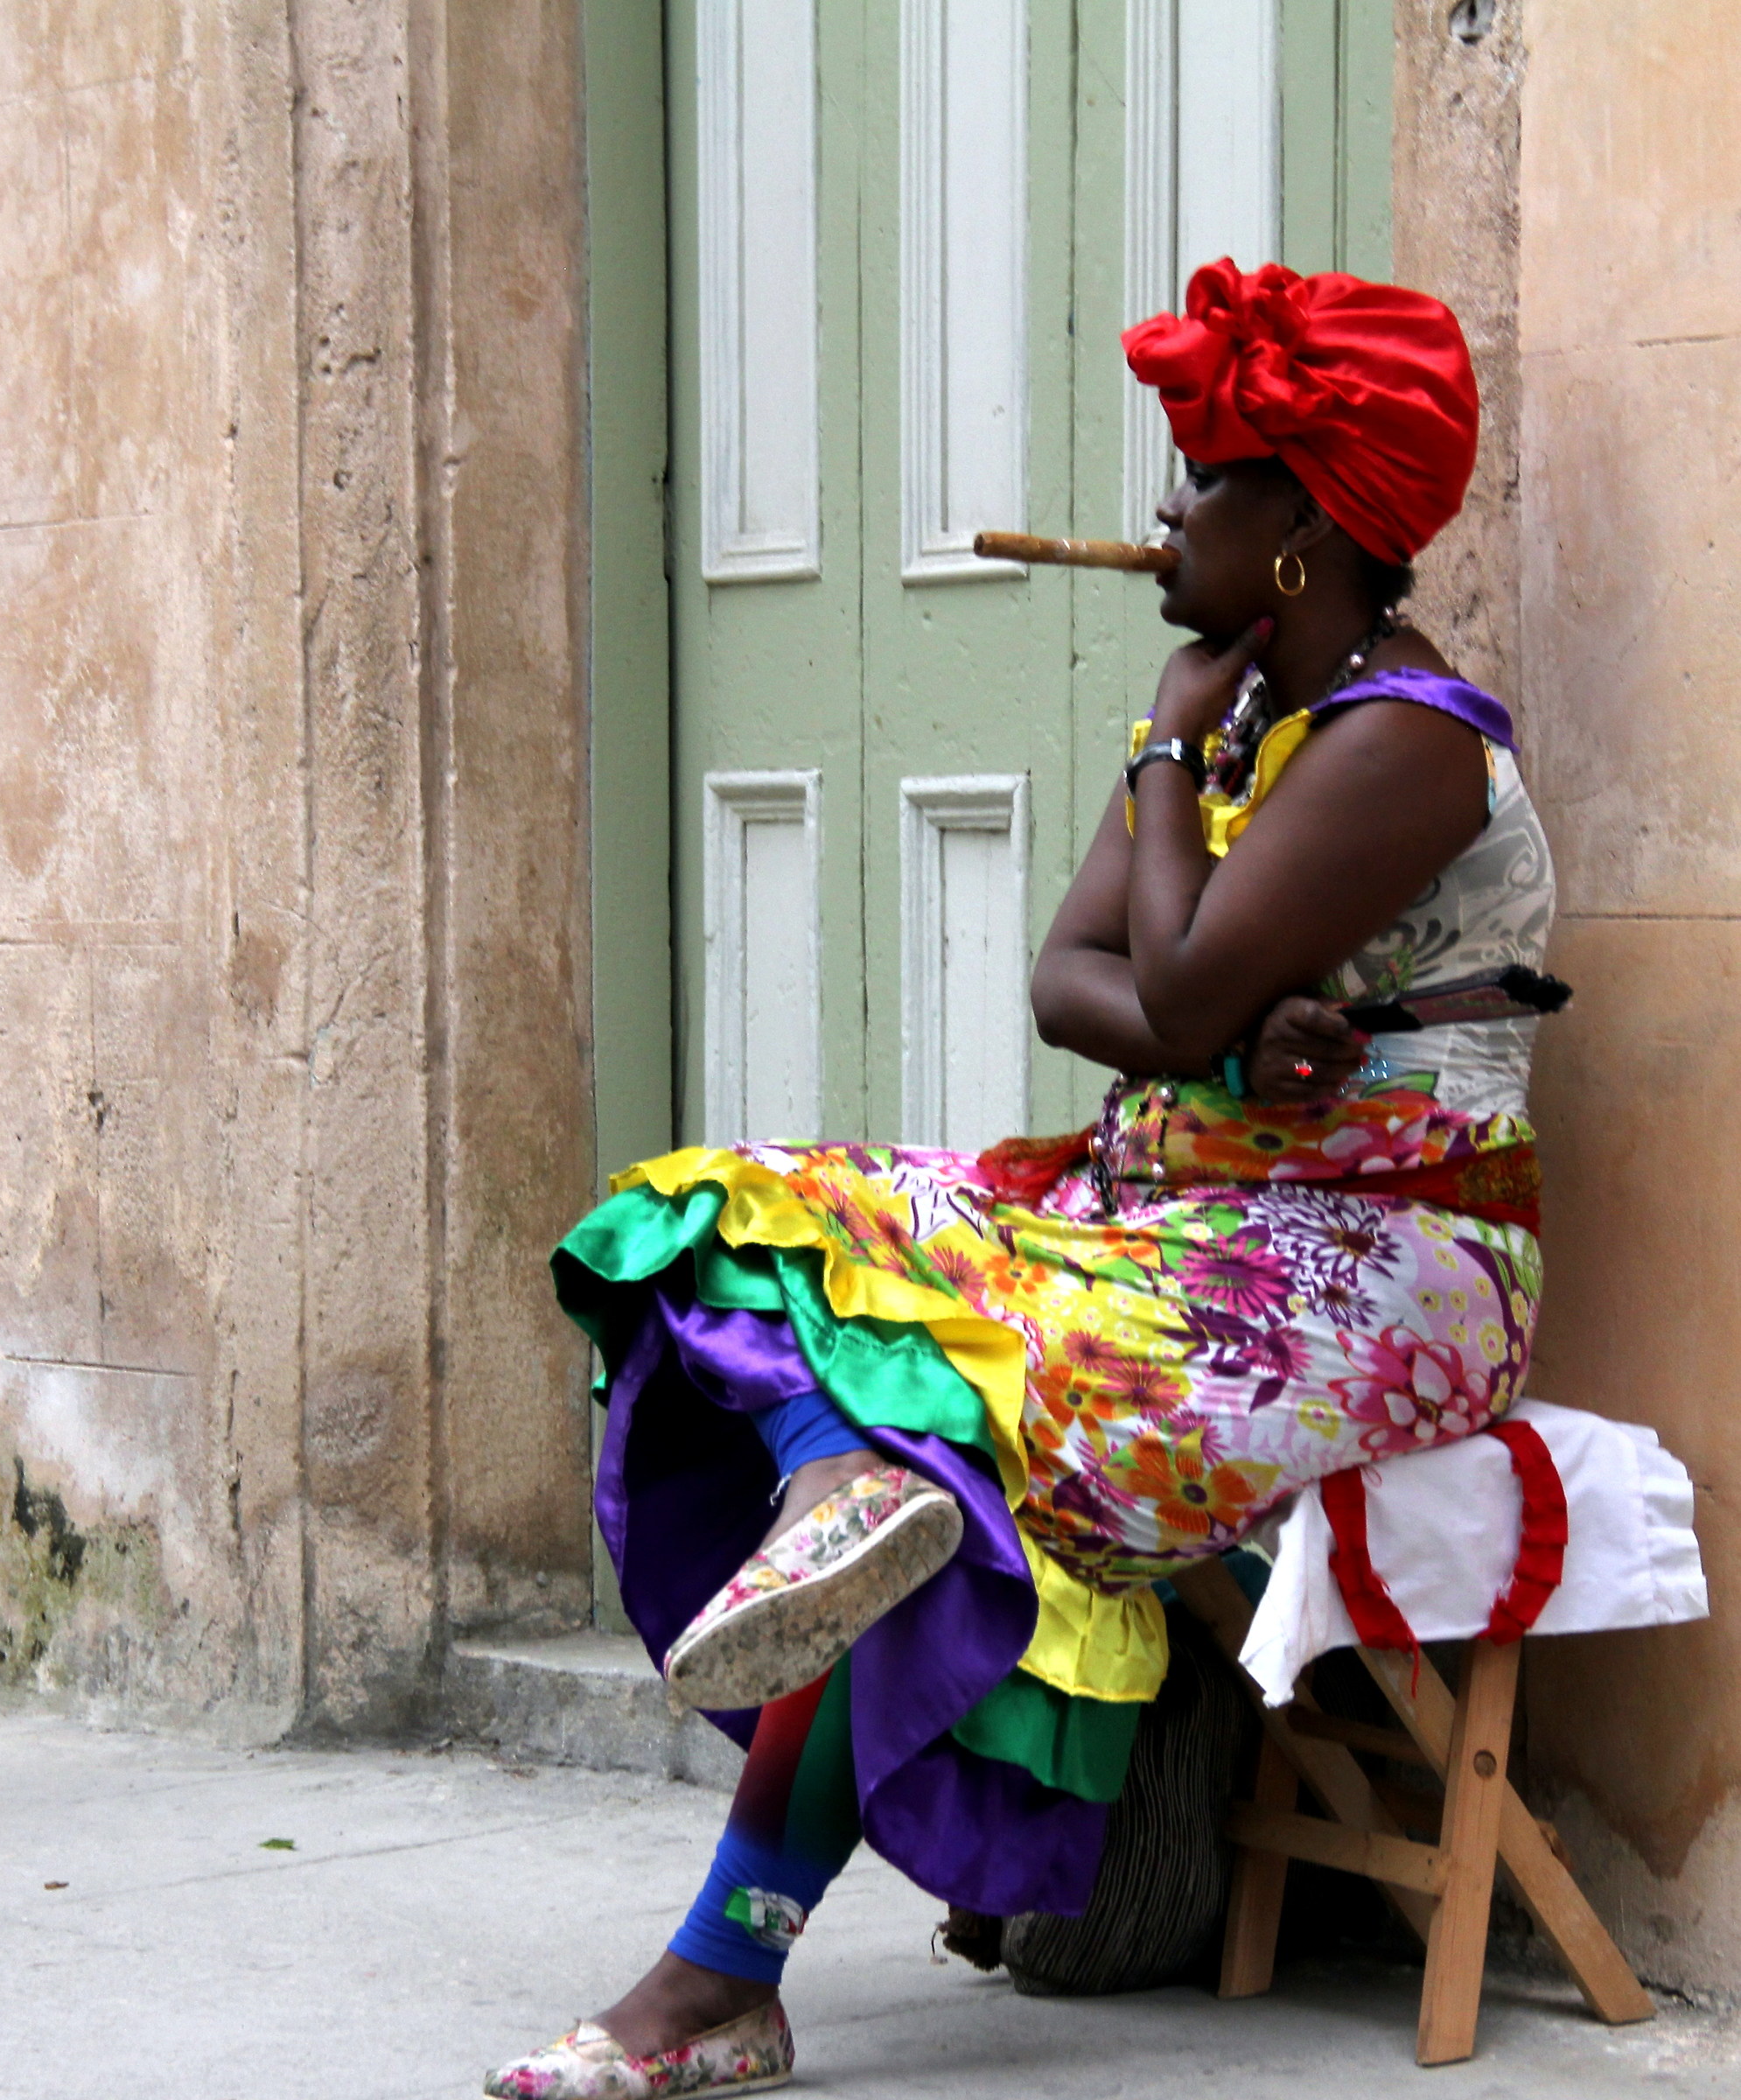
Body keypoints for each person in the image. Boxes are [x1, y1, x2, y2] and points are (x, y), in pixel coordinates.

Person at [482, 257, 1554, 2099]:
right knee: (749, 1204)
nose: (1159, 512)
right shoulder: (1236, 729)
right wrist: (1191, 950)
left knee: (947, 1421)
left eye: (1201, 479)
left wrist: (1158, 780)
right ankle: (830, 1507)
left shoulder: (1406, 745)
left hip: (1381, 1275)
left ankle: (718, 1980)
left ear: (1297, 527)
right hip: (1171, 1217)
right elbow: (1074, 994)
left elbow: (1182, 985)